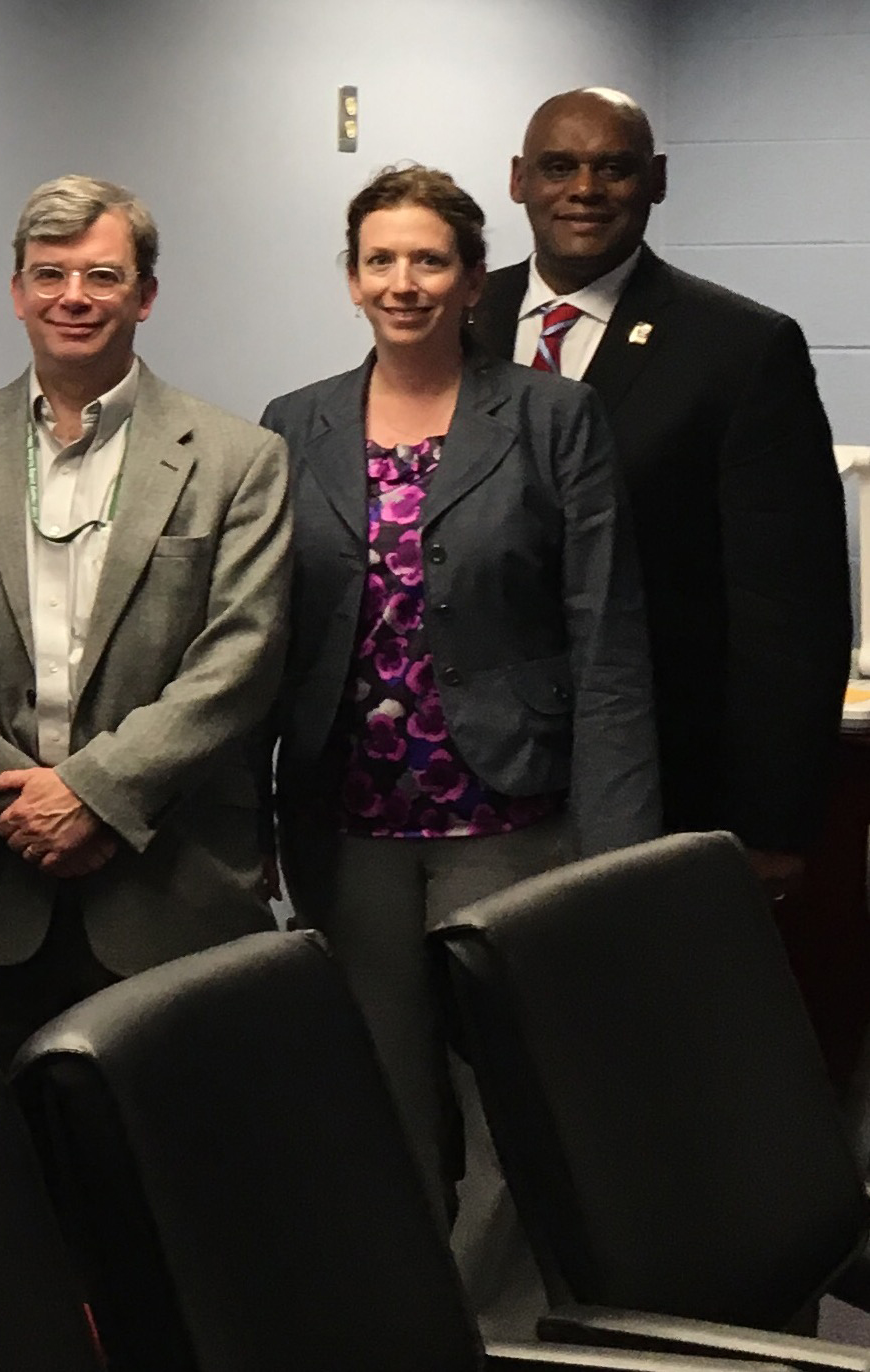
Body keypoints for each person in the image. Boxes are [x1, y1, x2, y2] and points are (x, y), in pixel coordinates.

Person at [261, 163, 657, 1217]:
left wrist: (616, 854)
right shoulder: (294, 426)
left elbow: (606, 640)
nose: (404, 282)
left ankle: (505, 1324)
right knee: (381, 1084)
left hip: (510, 813)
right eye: (380, 260)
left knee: (517, 1088)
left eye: (429, 259)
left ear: (474, 279)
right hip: (349, 825)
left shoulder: (551, 418)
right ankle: (409, 1311)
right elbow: (264, 640)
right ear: (349, 279)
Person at [0, 176, 291, 1063]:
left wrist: (93, 796)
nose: (71, 298)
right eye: (48, 275)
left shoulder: (239, 460)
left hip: (173, 890)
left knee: (178, 1170)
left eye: (101, 276)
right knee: (6, 1161)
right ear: (15, 292)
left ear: (144, 295)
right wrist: (17, 799)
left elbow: (242, 657)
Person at [471, 87, 847, 899]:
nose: (584, 189)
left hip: (665, 779)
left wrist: (771, 821)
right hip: (469, 786)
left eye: (614, 167)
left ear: (656, 180)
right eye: (558, 166)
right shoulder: (460, 318)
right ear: (515, 180)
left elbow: (787, 608)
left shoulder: (740, 349)